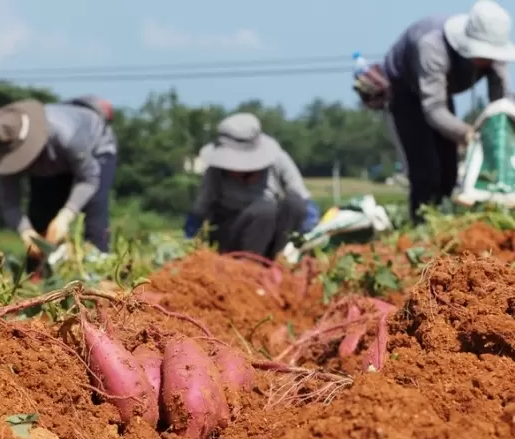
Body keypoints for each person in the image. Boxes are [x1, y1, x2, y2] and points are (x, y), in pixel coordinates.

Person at [353, 0, 515, 224]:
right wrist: (468, 133)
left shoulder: (495, 57)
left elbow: (501, 103)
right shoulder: (431, 46)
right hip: (406, 92)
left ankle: (443, 220)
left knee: (449, 171)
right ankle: (421, 225)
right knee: (426, 170)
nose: (486, 60)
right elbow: (433, 108)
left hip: (440, 92)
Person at [0, 96, 118, 273]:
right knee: (41, 218)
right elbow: (9, 202)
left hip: (94, 155)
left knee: (95, 218)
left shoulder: (66, 136)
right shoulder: (3, 146)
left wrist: (66, 215)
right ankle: (39, 279)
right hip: (50, 164)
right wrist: (25, 231)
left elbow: (88, 179)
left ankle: (99, 274)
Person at [184, 112, 320, 259]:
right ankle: (249, 266)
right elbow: (200, 211)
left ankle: (279, 259)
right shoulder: (215, 172)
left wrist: (307, 234)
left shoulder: (278, 160)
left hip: (273, 236)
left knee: (294, 203)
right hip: (233, 235)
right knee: (264, 210)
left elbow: (304, 203)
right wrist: (189, 242)